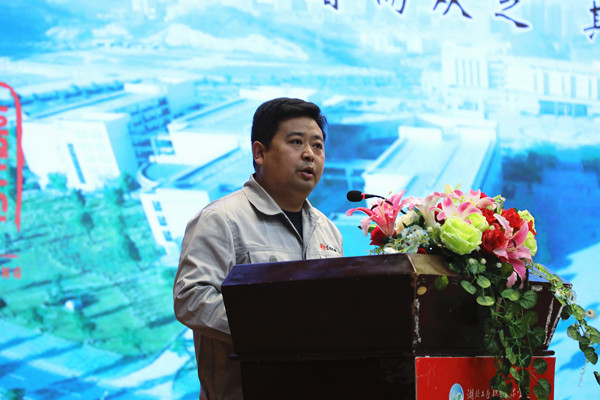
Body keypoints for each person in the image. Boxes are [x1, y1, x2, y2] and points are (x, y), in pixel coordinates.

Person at [173, 97, 344, 400]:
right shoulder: (221, 219)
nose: (309, 154)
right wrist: (276, 332)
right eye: (296, 142)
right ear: (260, 153)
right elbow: (192, 299)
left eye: (317, 146)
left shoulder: (328, 230)